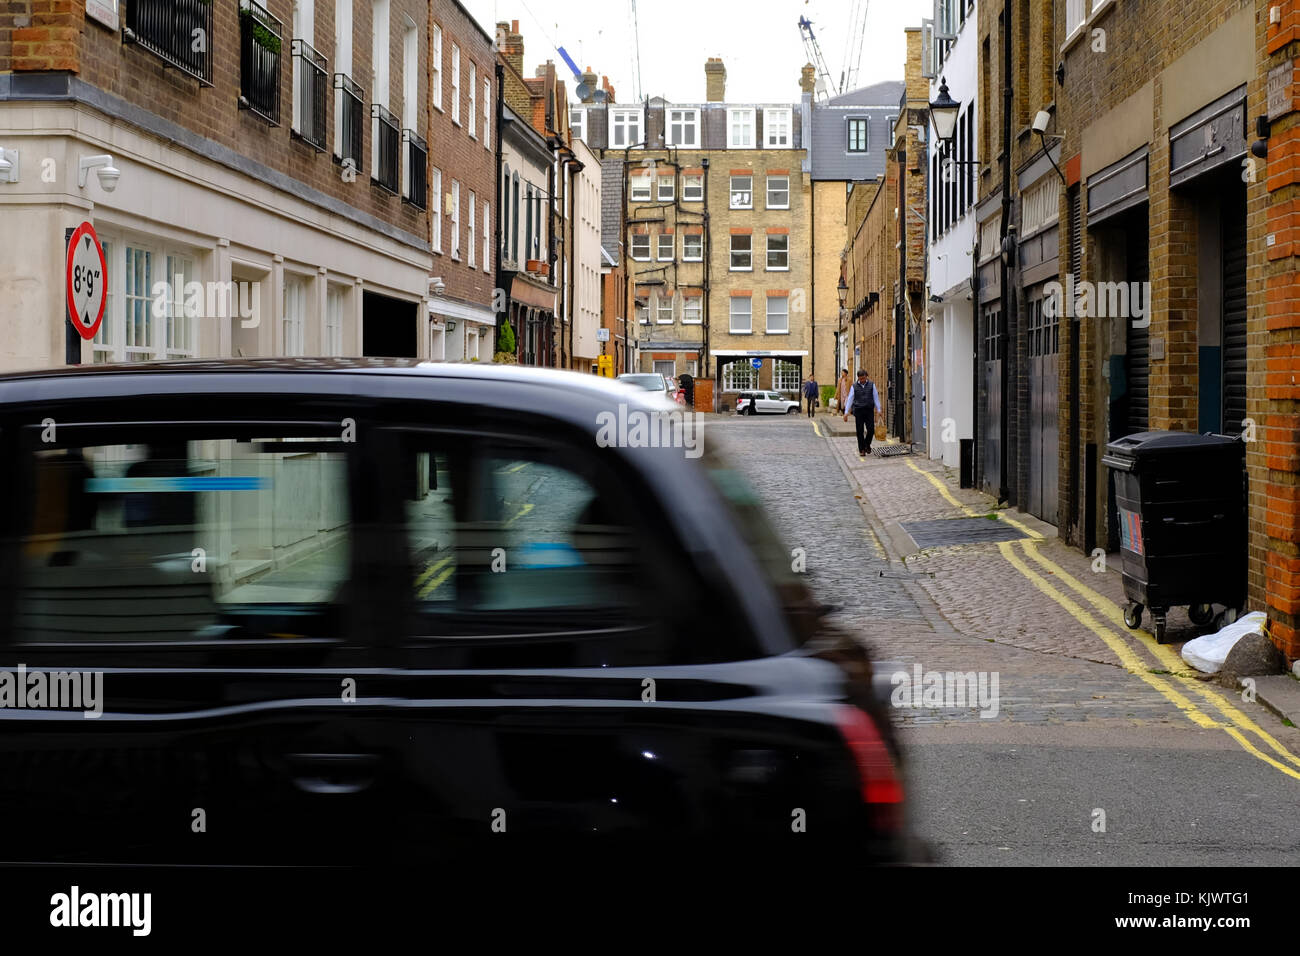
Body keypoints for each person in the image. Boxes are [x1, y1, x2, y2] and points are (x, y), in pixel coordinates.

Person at [842, 369, 882, 458]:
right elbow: (850, 399)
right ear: (858, 378)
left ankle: (867, 444)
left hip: (869, 410)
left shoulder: (872, 385)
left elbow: (875, 397)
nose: (862, 380)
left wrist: (879, 409)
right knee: (859, 431)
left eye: (863, 378)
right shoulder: (854, 386)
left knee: (871, 430)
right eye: (860, 379)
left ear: (866, 376)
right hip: (858, 411)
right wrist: (846, 412)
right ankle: (862, 449)